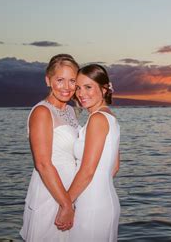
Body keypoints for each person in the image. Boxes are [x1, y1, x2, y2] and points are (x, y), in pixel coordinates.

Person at [20, 54, 80, 241]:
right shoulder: (42, 112)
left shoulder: (70, 110)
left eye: (72, 81)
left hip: (70, 193)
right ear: (48, 80)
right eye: (60, 80)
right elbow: (43, 164)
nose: (67, 87)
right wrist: (65, 205)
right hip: (52, 195)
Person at [68, 64, 120, 242]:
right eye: (78, 88)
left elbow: (87, 170)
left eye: (88, 87)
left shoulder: (97, 119)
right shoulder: (109, 117)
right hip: (102, 199)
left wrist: (65, 205)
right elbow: (114, 167)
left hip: (92, 204)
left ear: (105, 89)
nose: (81, 93)